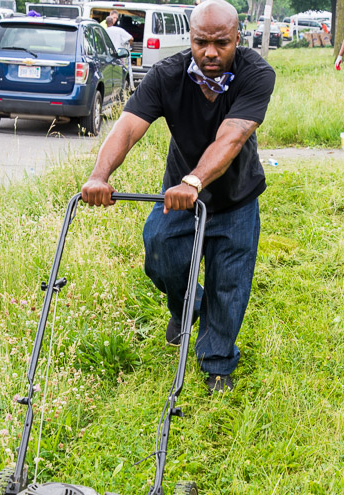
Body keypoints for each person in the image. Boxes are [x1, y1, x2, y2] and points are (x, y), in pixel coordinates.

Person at [81, 0, 275, 395]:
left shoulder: (256, 74)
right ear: (190, 38)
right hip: (178, 197)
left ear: (238, 37)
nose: (210, 52)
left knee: (230, 283)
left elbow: (232, 136)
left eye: (221, 43)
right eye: (201, 42)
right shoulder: (167, 74)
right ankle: (187, 308)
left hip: (235, 197)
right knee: (161, 253)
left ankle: (217, 363)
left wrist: (195, 181)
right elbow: (128, 127)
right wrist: (100, 175)